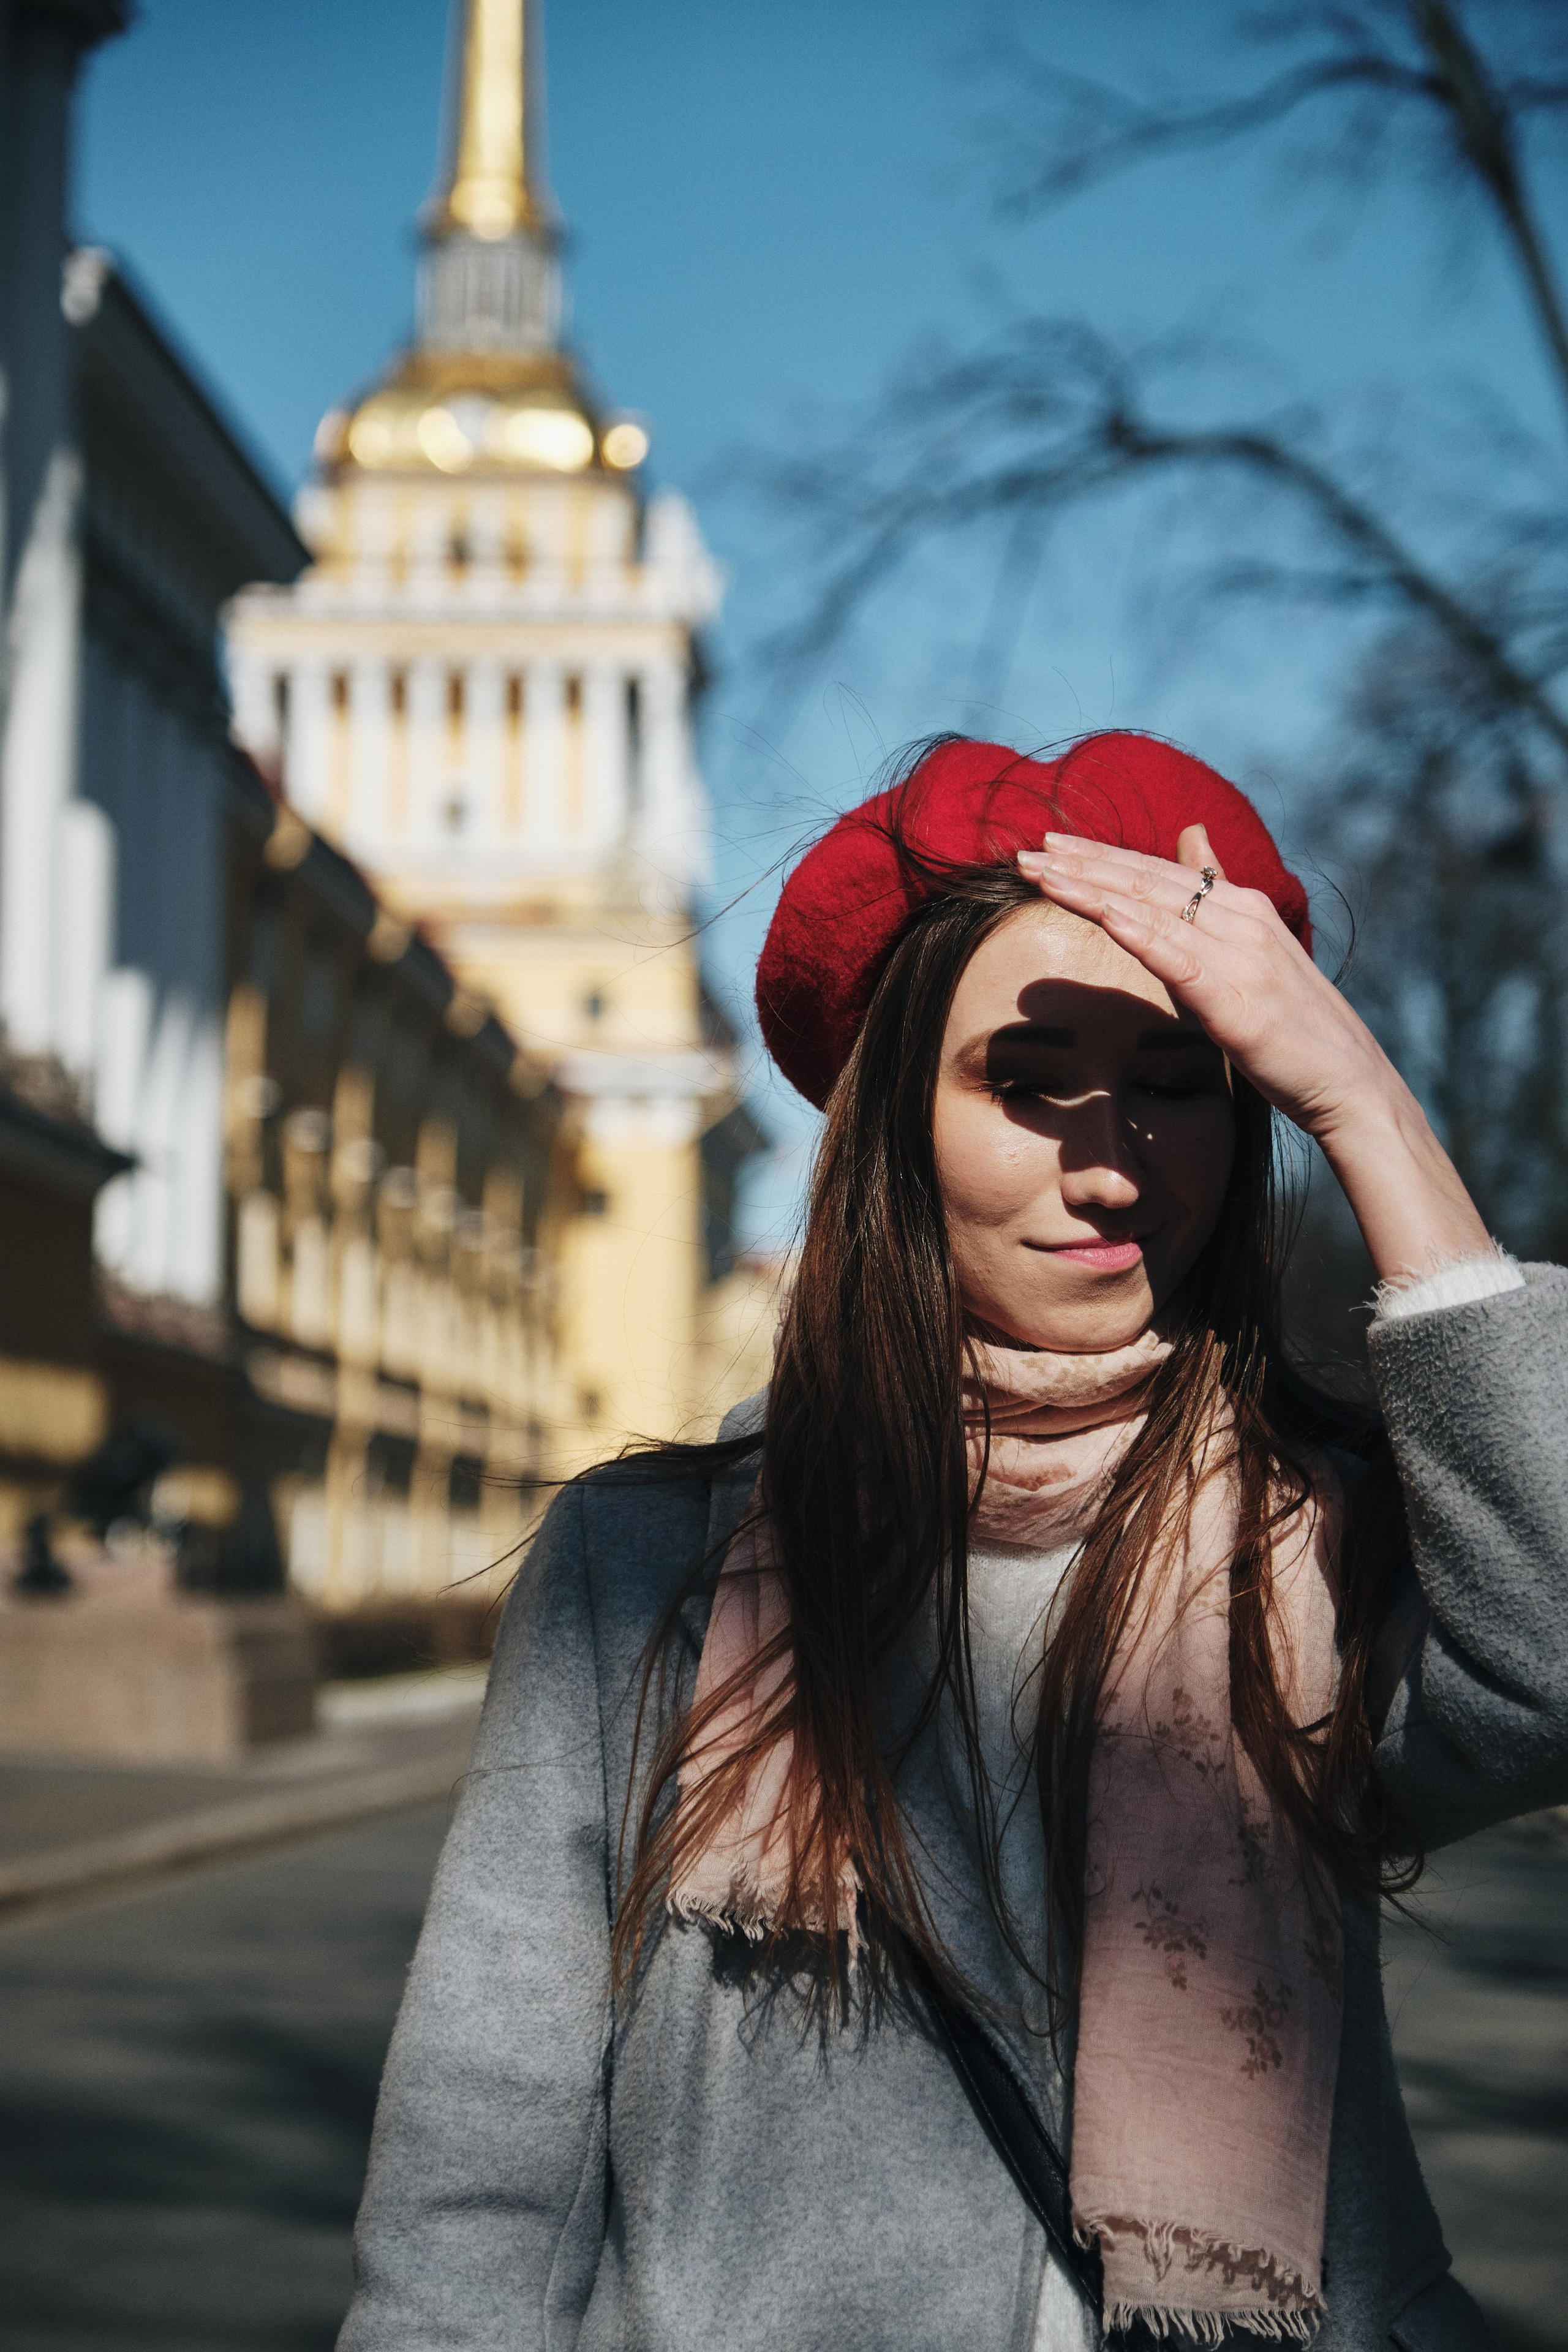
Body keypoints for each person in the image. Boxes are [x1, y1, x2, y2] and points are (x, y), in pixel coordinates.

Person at [338, 731, 1568, 2352]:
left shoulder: (1327, 1535)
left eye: (1181, 1083)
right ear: (892, 1126)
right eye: (1029, 1082)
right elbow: (482, 2168)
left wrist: (1360, 1098)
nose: (1112, 1161)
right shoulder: (646, 1567)